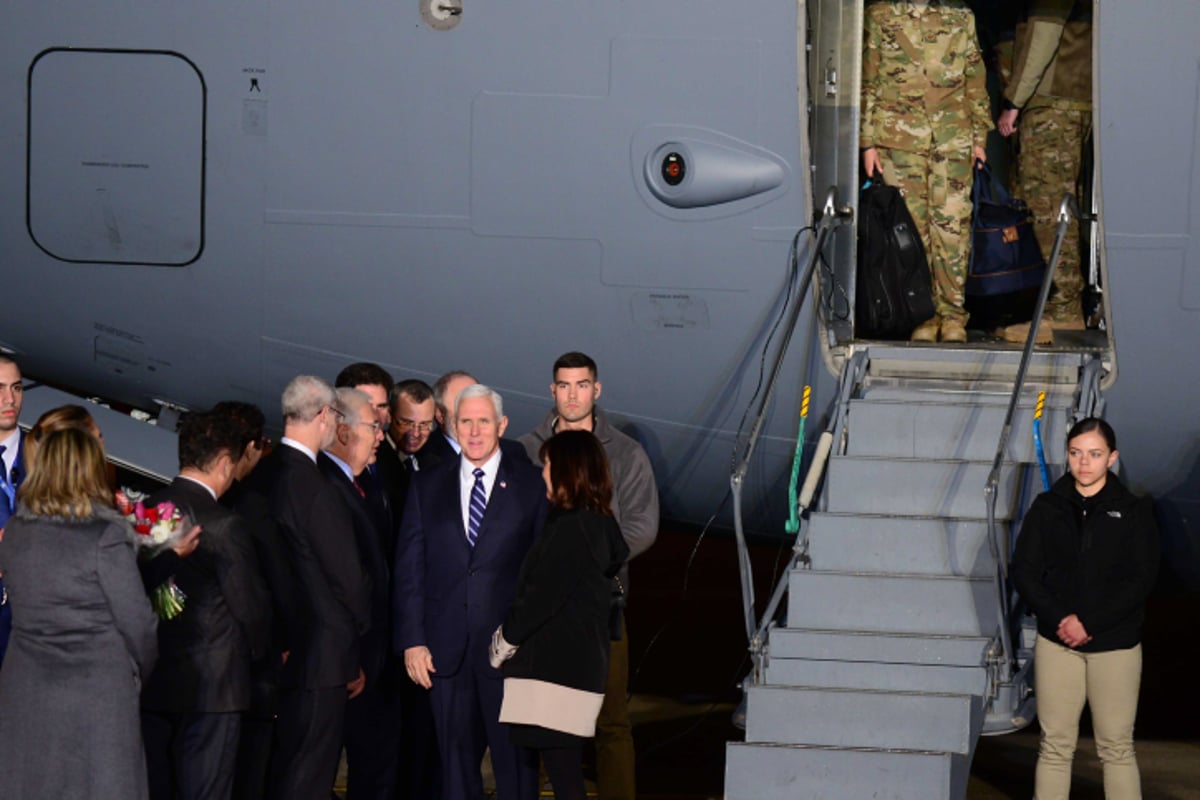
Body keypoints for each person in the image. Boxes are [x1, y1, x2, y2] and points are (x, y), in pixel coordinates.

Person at [395, 383, 546, 800]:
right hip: (444, 655)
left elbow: (540, 575)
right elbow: (410, 568)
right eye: (466, 421)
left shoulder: (532, 486)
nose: (475, 431)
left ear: (502, 425)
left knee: (516, 771)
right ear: (453, 424)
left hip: (509, 655)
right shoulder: (427, 485)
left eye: (483, 422)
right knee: (454, 773)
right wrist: (412, 640)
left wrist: (529, 641)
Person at [519, 351, 658, 800]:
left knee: (611, 721)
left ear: (596, 390)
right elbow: (516, 524)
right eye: (564, 386)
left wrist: (587, 563)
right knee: (539, 723)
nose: (573, 395)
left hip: (604, 608)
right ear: (552, 390)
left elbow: (643, 526)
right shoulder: (525, 450)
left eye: (582, 386)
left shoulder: (625, 452)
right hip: (544, 612)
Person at [0, 427, 158, 799]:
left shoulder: (18, 531)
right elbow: (139, 624)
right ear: (88, 468)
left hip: (26, 688)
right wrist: (135, 676)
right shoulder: (105, 534)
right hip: (97, 695)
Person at [1011, 418, 1159, 799]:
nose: (1084, 463)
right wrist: (1061, 620)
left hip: (1115, 647)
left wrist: (1089, 622)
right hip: (1058, 643)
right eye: (1076, 453)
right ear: (1068, 455)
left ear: (1112, 458)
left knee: (1116, 748)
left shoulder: (1134, 511)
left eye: (1094, 454)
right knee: (1055, 747)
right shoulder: (1047, 508)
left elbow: (1141, 580)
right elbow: (1024, 572)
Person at [249, 375, 371, 800]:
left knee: (282, 767)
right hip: (322, 654)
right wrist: (360, 633)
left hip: (277, 646)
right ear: (323, 415)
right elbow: (348, 578)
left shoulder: (261, 475)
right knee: (310, 775)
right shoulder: (315, 487)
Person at [491, 430, 630, 800]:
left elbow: (540, 597)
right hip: (577, 670)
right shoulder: (600, 526)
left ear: (568, 471)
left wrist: (503, 641)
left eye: (549, 464)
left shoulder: (571, 528)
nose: (543, 473)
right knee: (562, 772)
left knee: (564, 776)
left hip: (553, 674)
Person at [141, 410, 272, 800]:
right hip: (214, 689)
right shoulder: (224, 524)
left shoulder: (149, 507)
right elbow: (250, 607)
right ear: (223, 463)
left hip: (156, 678)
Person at [860, 0, 993, 343]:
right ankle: (922, 315)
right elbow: (868, 79)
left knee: (951, 231)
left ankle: (953, 317)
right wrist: (867, 142)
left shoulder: (961, 16)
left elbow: (975, 78)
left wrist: (980, 136)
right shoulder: (881, 15)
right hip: (898, 140)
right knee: (912, 233)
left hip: (952, 139)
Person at [319, 388, 403, 800]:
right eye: (374, 426)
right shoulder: (327, 486)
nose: (382, 434)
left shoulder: (365, 482)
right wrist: (352, 658)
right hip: (348, 664)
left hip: (371, 661)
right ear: (344, 432)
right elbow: (335, 584)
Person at [997, 0, 1092, 344]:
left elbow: (1043, 38)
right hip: (1067, 101)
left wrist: (1013, 102)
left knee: (1048, 209)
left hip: (1051, 103)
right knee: (1059, 204)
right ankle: (1054, 305)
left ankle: (1064, 311)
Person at [0, 354, 27, 667]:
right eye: (1, 389)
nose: (10, 399)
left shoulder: (48, 460)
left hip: (29, 631)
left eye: (17, 388)